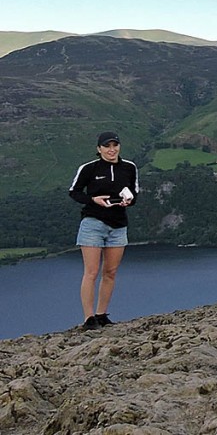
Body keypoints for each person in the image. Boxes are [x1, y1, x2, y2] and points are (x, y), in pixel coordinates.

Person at [68, 131, 139, 330]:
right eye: (107, 146)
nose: (111, 149)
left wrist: (129, 201)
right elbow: (74, 192)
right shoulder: (89, 168)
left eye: (115, 145)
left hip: (118, 225)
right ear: (99, 149)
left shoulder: (129, 168)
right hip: (93, 223)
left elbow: (135, 193)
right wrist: (93, 200)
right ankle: (88, 318)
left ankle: (101, 315)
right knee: (91, 272)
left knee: (110, 272)